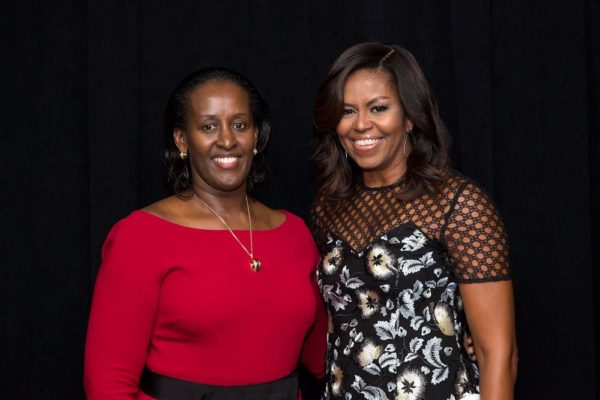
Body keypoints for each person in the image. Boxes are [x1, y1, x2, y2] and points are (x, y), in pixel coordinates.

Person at [84, 67, 327, 399]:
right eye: (209, 126)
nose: (226, 140)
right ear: (182, 139)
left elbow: (329, 356)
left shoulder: (294, 234)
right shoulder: (140, 237)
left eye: (240, 125)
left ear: (256, 136)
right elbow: (108, 384)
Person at [311, 43, 518, 400]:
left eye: (378, 108)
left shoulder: (457, 204)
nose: (361, 124)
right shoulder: (326, 209)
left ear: (410, 116)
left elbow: (498, 353)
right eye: (347, 111)